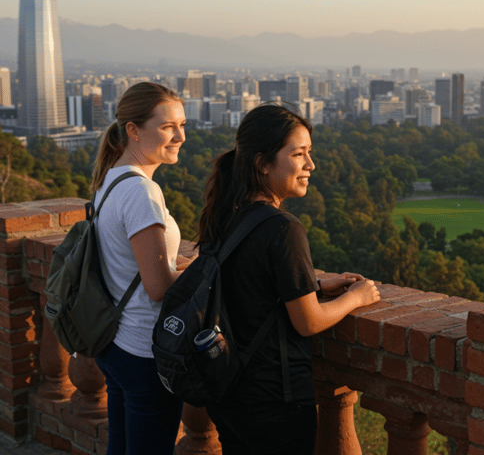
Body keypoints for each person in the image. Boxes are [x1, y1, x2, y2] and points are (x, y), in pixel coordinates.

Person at [198, 104, 380, 454]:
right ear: (262, 163)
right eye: (298, 154)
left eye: (309, 153)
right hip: (273, 398)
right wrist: (356, 298)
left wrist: (311, 285)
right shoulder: (283, 228)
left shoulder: (225, 216)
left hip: (228, 390)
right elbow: (308, 321)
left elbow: (248, 286)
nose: (310, 165)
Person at [92, 82, 188, 455]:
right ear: (133, 130)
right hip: (145, 351)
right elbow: (159, 287)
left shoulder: (111, 179)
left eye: (182, 125)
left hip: (114, 343)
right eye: (167, 127)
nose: (179, 135)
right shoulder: (141, 192)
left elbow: (129, 261)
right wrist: (207, 273)